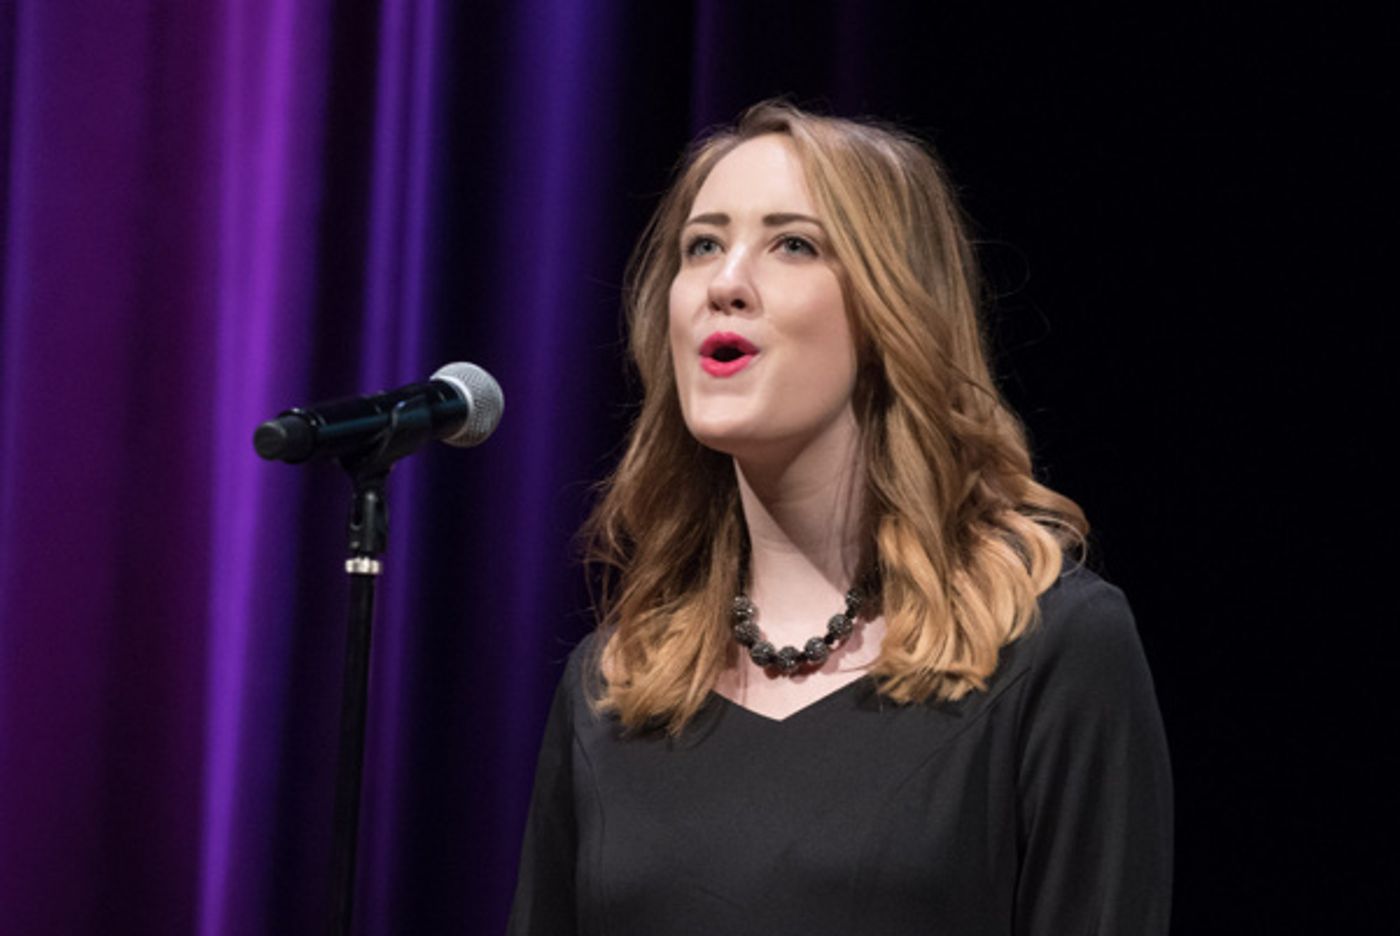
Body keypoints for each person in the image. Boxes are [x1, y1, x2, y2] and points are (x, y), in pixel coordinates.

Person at [507, 100, 1172, 935]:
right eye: (702, 244)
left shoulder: (1053, 649)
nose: (724, 283)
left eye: (793, 244)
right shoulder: (617, 685)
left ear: (894, 308)